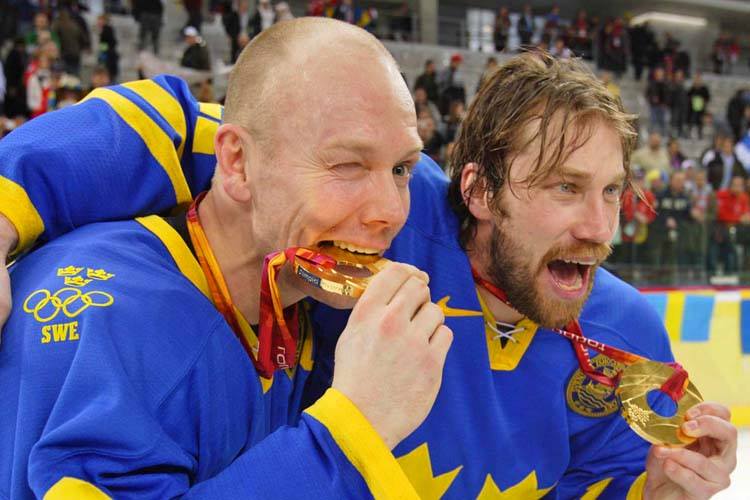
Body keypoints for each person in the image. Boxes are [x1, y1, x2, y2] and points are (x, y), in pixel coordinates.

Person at [0, 51, 737, 498]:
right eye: (563, 188)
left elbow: (595, 486)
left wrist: (663, 494)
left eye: (612, 191)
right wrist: (6, 208)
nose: (600, 227)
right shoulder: (392, 208)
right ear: (477, 191)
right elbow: (181, 126)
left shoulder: (629, 335)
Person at [0, 18, 451, 498]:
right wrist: (348, 433)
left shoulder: (296, 297)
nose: (390, 212)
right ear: (235, 163)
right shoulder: (116, 329)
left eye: (402, 167)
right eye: (347, 165)